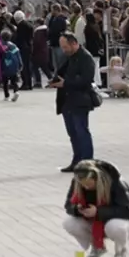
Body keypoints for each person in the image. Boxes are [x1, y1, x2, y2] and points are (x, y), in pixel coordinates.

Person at [62, 159, 129, 257]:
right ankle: (97, 247)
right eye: (83, 184)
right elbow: (68, 205)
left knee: (116, 226)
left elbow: (127, 210)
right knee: (69, 223)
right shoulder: (77, 182)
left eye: (89, 184)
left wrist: (98, 212)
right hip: (94, 221)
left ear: (97, 178)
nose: (86, 187)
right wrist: (77, 209)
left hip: (119, 222)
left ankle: (121, 250)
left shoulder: (115, 182)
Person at [51, 33, 98, 172]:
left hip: (80, 100)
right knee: (73, 133)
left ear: (74, 43)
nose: (63, 50)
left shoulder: (86, 58)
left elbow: (86, 80)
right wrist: (55, 80)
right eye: (62, 47)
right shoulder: (69, 57)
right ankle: (77, 161)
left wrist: (65, 83)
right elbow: (63, 72)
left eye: (65, 47)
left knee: (81, 131)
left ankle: (87, 163)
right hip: (67, 100)